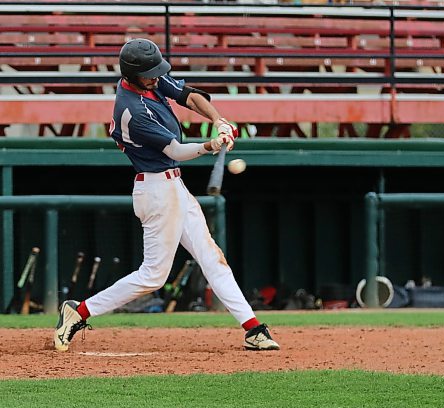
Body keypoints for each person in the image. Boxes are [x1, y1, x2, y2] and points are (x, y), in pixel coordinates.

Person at [53, 38, 279, 352]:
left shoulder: (151, 80)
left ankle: (253, 328)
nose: (157, 76)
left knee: (211, 257)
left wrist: (218, 120)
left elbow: (190, 96)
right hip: (156, 189)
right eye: (150, 73)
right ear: (133, 75)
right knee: (153, 276)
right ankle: (78, 312)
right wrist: (211, 145)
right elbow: (174, 149)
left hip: (174, 187)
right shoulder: (132, 110)